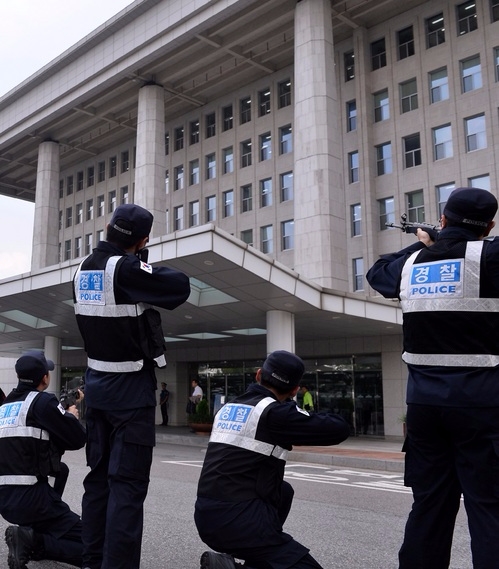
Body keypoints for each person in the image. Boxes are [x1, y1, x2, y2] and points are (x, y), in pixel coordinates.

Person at [366, 187, 499, 569]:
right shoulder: (488, 256)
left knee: (430, 506)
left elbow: (378, 273)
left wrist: (422, 245)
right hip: (483, 406)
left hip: (424, 408)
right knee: (489, 508)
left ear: (441, 219)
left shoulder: (409, 266)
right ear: (489, 225)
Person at [73, 203, 190, 569]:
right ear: (143, 240)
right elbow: (178, 286)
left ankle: (92, 561)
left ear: (107, 227)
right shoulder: (125, 270)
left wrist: (137, 258)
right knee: (127, 486)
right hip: (130, 393)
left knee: (97, 483)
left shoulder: (80, 271)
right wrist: (143, 261)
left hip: (97, 388)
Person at [194, 350, 350, 569]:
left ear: (258, 375)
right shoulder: (275, 414)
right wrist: (292, 409)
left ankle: (255, 557)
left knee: (284, 490)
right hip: (240, 522)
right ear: (295, 390)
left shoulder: (228, 408)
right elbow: (340, 428)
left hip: (206, 516)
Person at [0, 351, 86, 569]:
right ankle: (32, 541)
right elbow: (77, 439)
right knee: (98, 547)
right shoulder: (42, 402)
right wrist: (72, 417)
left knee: (62, 470)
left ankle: (31, 537)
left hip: (6, 500)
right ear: (45, 378)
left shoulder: (4, 407)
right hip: (34, 500)